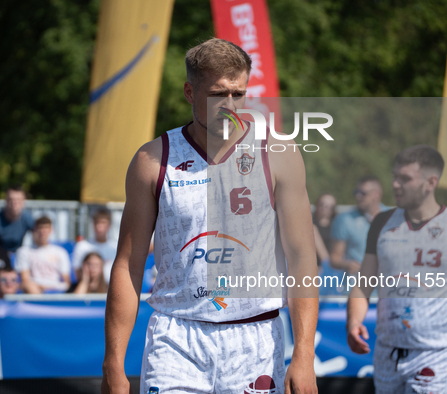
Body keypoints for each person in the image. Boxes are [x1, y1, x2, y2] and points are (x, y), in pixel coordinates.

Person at [101, 38, 319, 394]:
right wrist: (113, 362)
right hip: (176, 336)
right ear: (190, 92)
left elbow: (302, 258)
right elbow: (128, 265)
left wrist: (304, 354)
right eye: (219, 94)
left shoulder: (277, 151)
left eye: (238, 93)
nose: (230, 105)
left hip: (256, 336)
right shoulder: (152, 159)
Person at [346, 145, 447, 394]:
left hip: (438, 352)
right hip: (387, 350)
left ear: (431, 182)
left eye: (405, 178)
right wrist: (353, 321)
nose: (396, 185)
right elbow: (363, 284)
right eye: (395, 177)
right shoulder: (382, 223)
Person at [330, 175, 385, 276]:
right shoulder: (344, 219)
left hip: (386, 286)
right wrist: (348, 264)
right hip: (355, 285)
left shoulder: (392, 217)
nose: (358, 196)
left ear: (377, 195)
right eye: (356, 192)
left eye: (363, 193)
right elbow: (334, 258)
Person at [15, 216, 70, 294]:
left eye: (46, 228)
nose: (43, 232)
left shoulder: (61, 252)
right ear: (34, 230)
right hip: (34, 289)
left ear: (51, 230)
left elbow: (66, 280)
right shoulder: (24, 251)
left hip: (55, 289)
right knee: (29, 286)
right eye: (40, 228)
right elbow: (25, 279)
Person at [71, 209, 117, 283]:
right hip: (89, 290)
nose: (100, 226)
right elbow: (77, 272)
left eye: (103, 223)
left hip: (112, 288)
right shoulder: (82, 246)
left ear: (109, 225)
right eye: (97, 222)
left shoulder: (116, 247)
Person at [0, 185, 35, 253]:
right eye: (11, 199)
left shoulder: (27, 219)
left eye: (18, 200)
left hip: (18, 256)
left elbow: (39, 236)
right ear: (5, 200)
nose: (14, 203)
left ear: (23, 201)